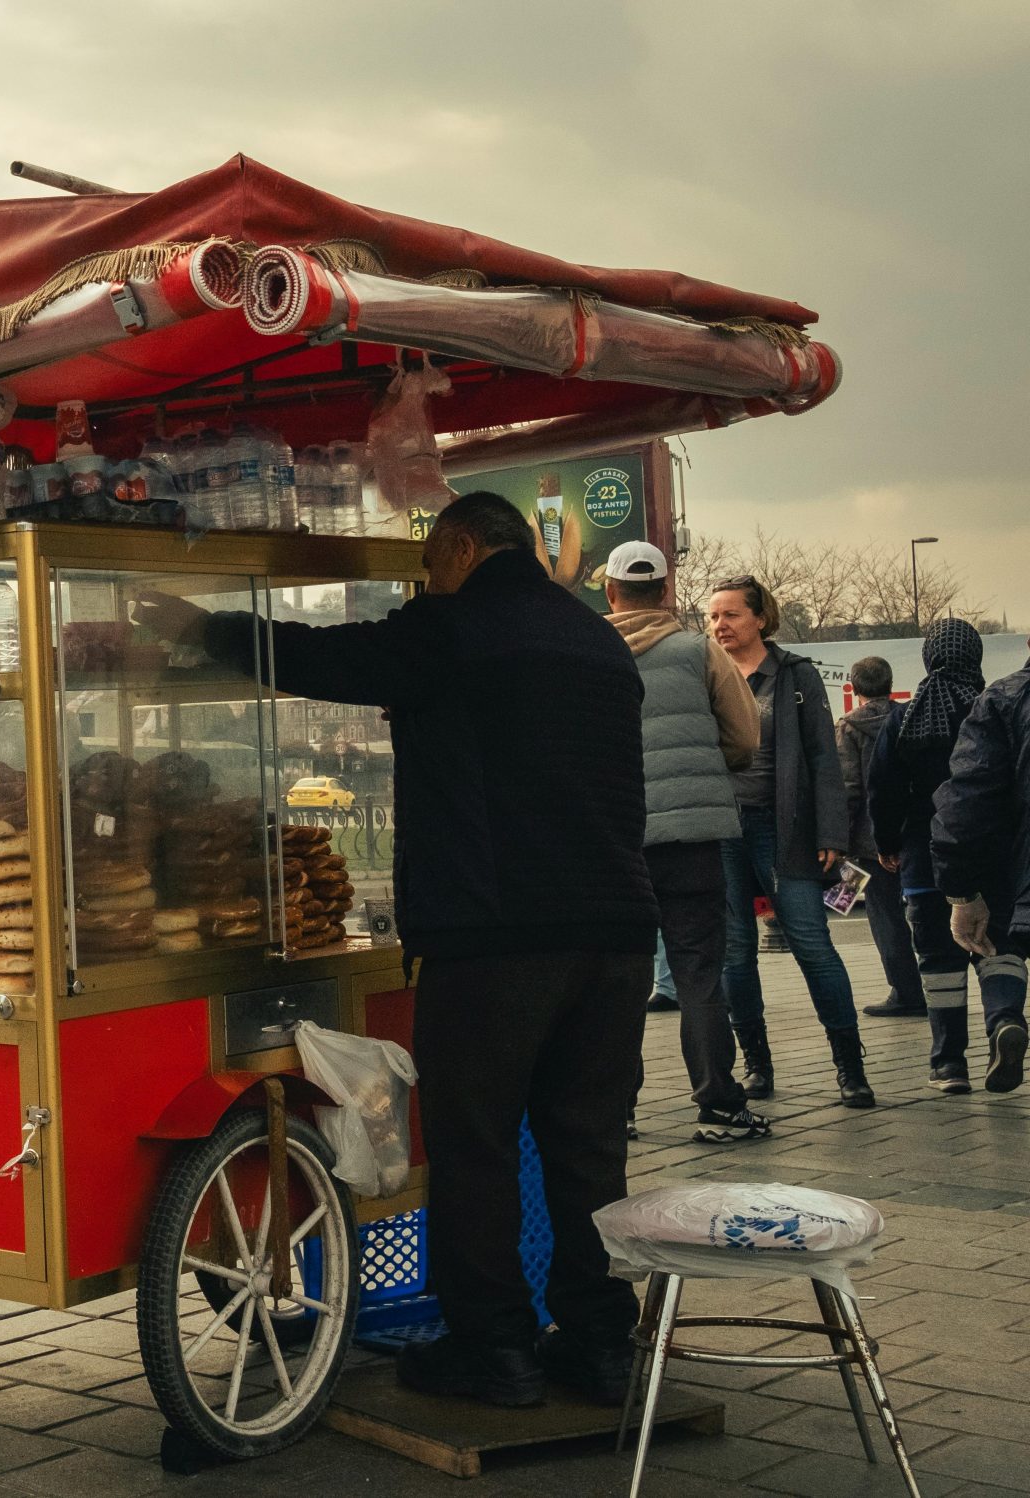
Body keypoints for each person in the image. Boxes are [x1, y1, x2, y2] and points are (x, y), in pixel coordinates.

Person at [142, 493, 658, 1410]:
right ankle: (599, 1346)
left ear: (461, 548)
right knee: (588, 1148)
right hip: (616, 933)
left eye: (428, 569)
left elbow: (327, 657)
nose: (424, 586)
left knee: (474, 1145)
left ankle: (494, 1349)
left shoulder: (460, 627)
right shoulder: (596, 640)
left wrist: (207, 627)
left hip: (496, 937)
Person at [602, 543, 769, 1145]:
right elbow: (746, 734)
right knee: (700, 971)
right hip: (695, 839)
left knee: (619, 975)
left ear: (611, 591)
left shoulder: (587, 652)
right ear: (667, 591)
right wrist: (703, 765)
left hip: (614, 841)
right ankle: (719, 1106)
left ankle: (616, 1107)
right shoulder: (700, 650)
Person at [705, 578, 871, 1107]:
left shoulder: (794, 675)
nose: (719, 626)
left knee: (812, 943)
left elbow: (825, 758)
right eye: (713, 617)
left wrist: (831, 833)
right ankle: (756, 1065)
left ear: (759, 618)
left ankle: (850, 1067)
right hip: (722, 826)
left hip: (786, 828)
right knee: (734, 953)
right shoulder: (706, 672)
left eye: (730, 615)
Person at [873, 621, 1022, 1093]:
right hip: (994, 858)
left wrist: (887, 844)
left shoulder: (903, 717)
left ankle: (948, 1065)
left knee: (938, 959)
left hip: (923, 860)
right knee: (998, 946)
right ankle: (1003, 1021)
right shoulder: (993, 705)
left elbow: (883, 789)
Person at [928, 647, 1030, 1094]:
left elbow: (964, 803)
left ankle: (986, 1033)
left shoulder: (1003, 700)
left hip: (996, 858)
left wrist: (960, 890)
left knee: (991, 943)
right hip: (1006, 855)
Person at [840, 657, 928, 1019]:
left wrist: (837, 839)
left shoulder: (849, 727)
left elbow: (848, 789)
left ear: (854, 687)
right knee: (923, 910)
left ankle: (905, 990)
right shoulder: (910, 716)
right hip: (912, 832)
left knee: (885, 917)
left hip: (868, 840)